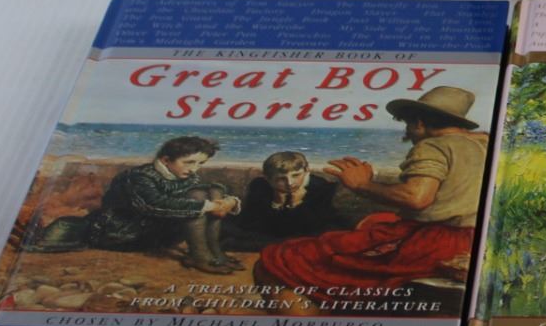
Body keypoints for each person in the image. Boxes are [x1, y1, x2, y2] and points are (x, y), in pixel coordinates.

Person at [253, 86, 485, 314]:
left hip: (431, 243)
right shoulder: (484, 144)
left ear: (419, 122)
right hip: (472, 238)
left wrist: (361, 185)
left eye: (408, 124)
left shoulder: (433, 146)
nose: (409, 131)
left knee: (281, 258)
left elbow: (416, 198)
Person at [33, 135, 242, 273]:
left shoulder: (186, 176)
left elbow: (204, 191)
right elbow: (154, 205)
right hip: (122, 233)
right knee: (200, 199)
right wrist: (209, 206)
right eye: (189, 162)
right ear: (166, 160)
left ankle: (214, 253)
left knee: (210, 191)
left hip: (155, 231)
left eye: (200, 163)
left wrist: (227, 201)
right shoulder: (138, 177)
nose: (194, 169)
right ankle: (200, 256)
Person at [223, 150, 352, 252]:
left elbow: (303, 228)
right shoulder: (260, 185)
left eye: (296, 175)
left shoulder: (321, 188)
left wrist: (294, 204)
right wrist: (277, 202)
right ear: (268, 178)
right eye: (281, 179)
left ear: (306, 171)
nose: (290, 183)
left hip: (305, 235)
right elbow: (253, 223)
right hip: (269, 234)